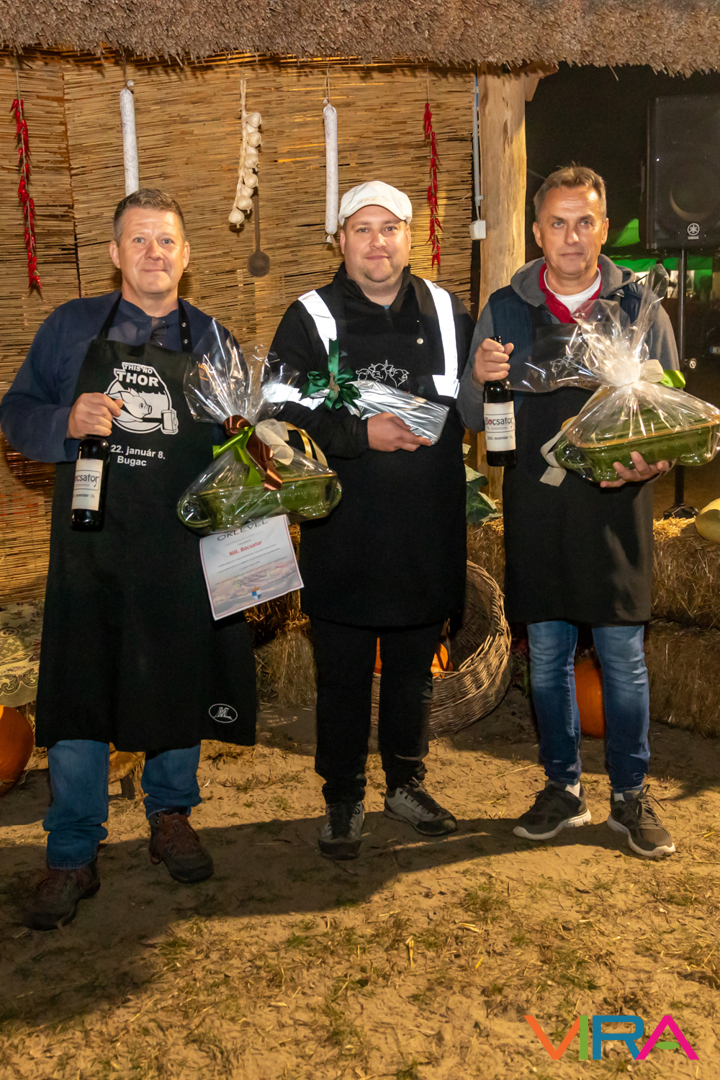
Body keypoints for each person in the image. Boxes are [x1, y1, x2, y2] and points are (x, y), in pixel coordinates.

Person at [0, 188, 257, 929]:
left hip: (181, 549)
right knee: (82, 690)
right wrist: (64, 419)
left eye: (166, 241)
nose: (154, 253)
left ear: (186, 255)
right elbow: (14, 413)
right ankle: (72, 851)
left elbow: (241, 444)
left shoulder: (213, 341)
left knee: (177, 679)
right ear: (115, 254)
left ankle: (170, 816)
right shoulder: (71, 328)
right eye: (139, 240)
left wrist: (251, 445)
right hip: (93, 547)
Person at [457, 165, 677, 858]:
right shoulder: (506, 307)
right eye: (558, 222)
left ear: (604, 229)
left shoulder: (640, 307)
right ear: (537, 232)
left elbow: (672, 413)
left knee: (622, 658)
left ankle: (630, 795)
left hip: (617, 507)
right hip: (539, 509)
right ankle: (563, 788)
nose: (572, 236)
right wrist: (480, 380)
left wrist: (656, 461)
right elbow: (470, 415)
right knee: (549, 657)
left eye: (585, 222)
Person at [271, 180, 474, 859]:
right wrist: (359, 434)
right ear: (341, 241)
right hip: (344, 533)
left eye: (390, 228)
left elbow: (475, 401)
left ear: (410, 237)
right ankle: (343, 797)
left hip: (427, 529)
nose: (377, 242)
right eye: (362, 229)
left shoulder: (447, 309)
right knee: (343, 676)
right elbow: (277, 407)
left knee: (414, 672)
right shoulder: (310, 316)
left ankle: (406, 784)